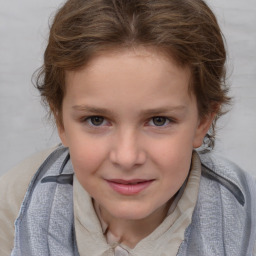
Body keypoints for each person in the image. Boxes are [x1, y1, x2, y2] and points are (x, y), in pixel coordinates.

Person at [1, 0, 255, 255]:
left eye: (159, 120)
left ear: (203, 121)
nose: (126, 157)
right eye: (96, 120)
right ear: (61, 121)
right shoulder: (18, 202)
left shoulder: (246, 218)